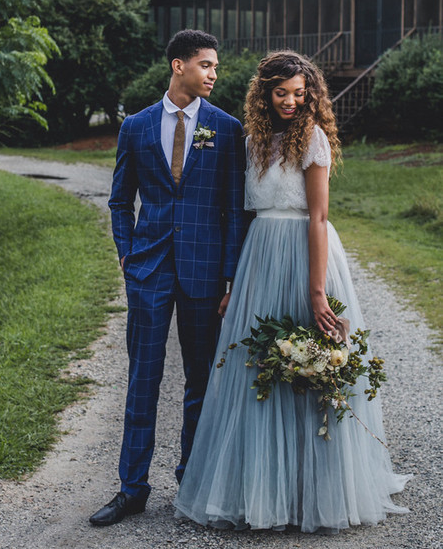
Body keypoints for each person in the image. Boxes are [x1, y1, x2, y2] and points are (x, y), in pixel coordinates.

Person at [174, 50, 411, 533]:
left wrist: (318, 292)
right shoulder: (254, 141)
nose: (290, 102)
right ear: (264, 94)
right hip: (260, 259)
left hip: (306, 256)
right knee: (260, 367)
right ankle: (260, 491)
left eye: (299, 94)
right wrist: (234, 284)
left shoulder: (314, 138)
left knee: (310, 364)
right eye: (280, 93)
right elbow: (245, 216)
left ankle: (314, 491)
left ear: (310, 95)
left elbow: (319, 217)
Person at [89, 29, 246, 526]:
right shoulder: (135, 127)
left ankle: (190, 483)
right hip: (149, 270)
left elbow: (234, 208)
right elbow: (119, 201)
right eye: (206, 65)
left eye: (216, 66)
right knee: (143, 380)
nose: (214, 74)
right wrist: (125, 255)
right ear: (178, 65)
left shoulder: (226, 128)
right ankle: (131, 488)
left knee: (200, 381)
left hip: (204, 275)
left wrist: (230, 277)